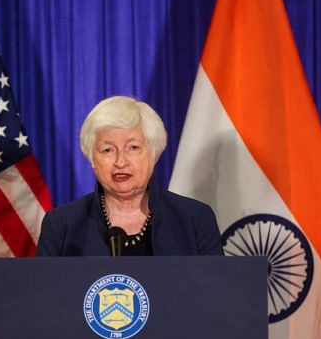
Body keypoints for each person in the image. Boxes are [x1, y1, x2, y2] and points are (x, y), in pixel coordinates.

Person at [36, 95, 222, 258]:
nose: (120, 161)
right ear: (92, 158)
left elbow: (215, 292)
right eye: (107, 150)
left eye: (133, 147)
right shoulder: (61, 225)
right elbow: (45, 295)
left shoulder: (195, 219)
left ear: (154, 153)